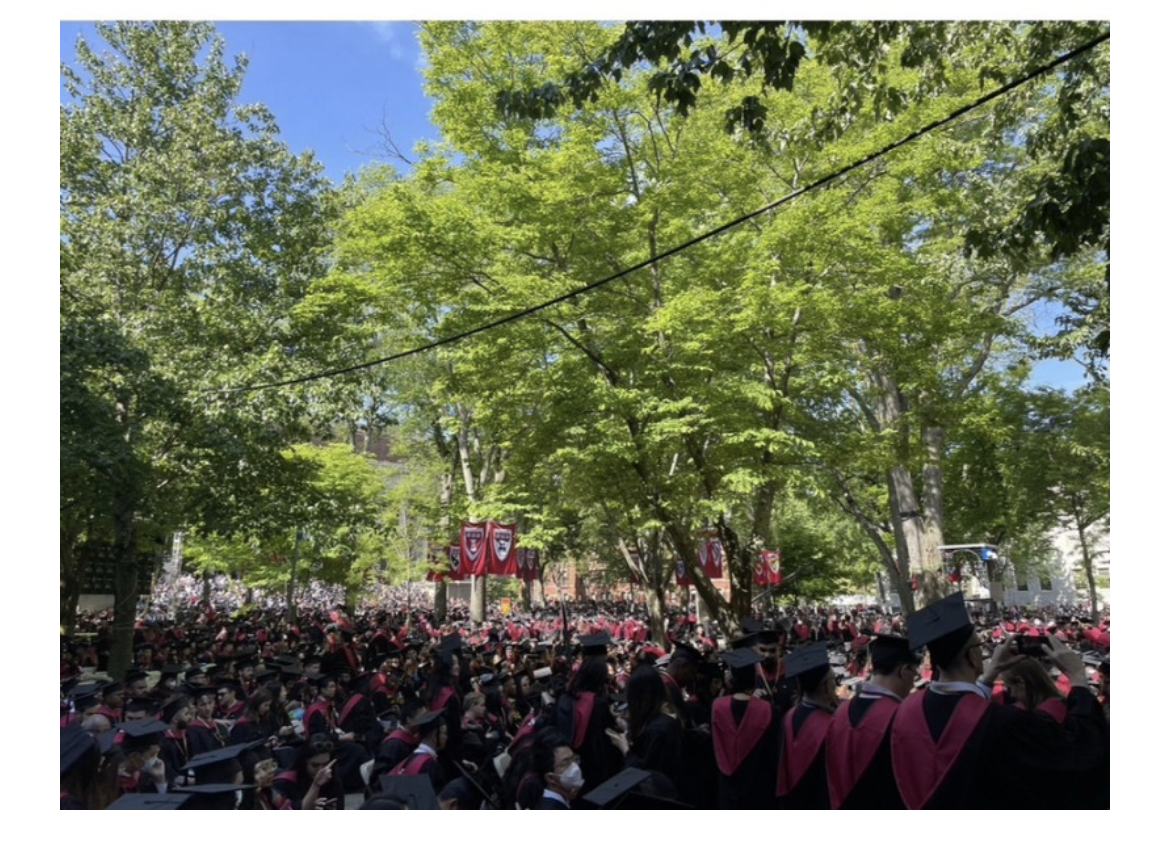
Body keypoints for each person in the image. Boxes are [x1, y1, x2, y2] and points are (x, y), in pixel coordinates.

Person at [890, 593, 1109, 809]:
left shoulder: (907, 710)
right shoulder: (1003, 722)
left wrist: (989, 675)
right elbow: (1077, 753)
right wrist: (1078, 679)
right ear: (971, 656)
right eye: (978, 646)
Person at [824, 634, 918, 809]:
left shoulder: (840, 712)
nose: (914, 682)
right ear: (904, 671)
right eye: (914, 673)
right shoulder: (900, 717)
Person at [711, 647, 779, 809]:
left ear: (732, 678)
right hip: (757, 788)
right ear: (755, 677)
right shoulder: (768, 710)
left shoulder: (717, 706)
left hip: (726, 788)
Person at [776, 643, 837, 809]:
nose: (836, 685)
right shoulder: (829, 726)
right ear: (826, 686)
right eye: (833, 680)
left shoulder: (789, 716)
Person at [272, 735, 344, 810]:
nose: (321, 770)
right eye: (315, 765)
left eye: (326, 764)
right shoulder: (285, 782)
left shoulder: (333, 780)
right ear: (304, 763)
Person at [386, 708, 448, 793]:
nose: (446, 737)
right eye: (445, 733)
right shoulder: (430, 765)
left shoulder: (413, 756)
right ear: (434, 736)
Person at [533, 730, 583, 809]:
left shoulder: (566, 798)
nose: (575, 767)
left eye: (574, 759)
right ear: (551, 778)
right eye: (565, 764)